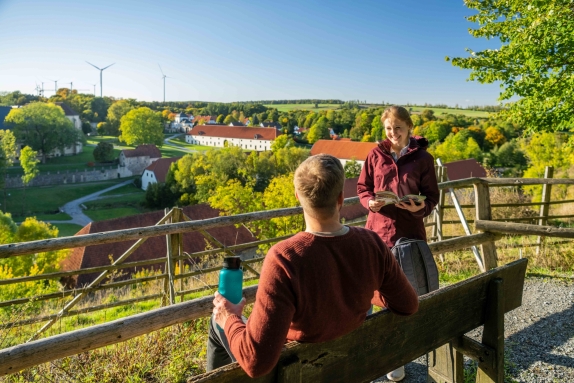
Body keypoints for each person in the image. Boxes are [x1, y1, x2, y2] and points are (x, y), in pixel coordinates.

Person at [207, 154, 419, 378]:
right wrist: (363, 288)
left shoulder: (284, 259)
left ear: (298, 196)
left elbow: (255, 361)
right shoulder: (371, 243)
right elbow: (408, 305)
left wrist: (228, 317)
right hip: (348, 371)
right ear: (340, 198)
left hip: (296, 374)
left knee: (216, 320)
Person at [357, 105, 440, 381]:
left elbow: (431, 198)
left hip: (409, 233)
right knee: (367, 292)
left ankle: (395, 359)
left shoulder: (423, 159)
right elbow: (362, 188)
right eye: (389, 128)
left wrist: (420, 207)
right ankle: (361, 351)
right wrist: (370, 201)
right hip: (377, 233)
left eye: (398, 128)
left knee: (401, 294)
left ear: (409, 128)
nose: (393, 133)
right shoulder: (375, 154)